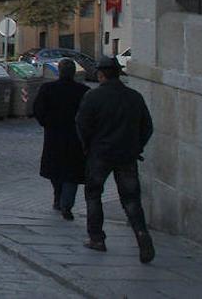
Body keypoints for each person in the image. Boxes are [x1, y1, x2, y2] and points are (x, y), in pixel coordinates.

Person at [75, 55, 155, 263]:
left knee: (93, 194)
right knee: (131, 198)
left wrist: (87, 146)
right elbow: (147, 126)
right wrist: (137, 146)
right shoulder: (134, 97)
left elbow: (82, 124)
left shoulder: (93, 97)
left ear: (100, 74)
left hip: (100, 153)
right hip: (127, 155)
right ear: (119, 73)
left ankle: (96, 238)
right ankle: (141, 234)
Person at [32, 58, 89, 220]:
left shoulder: (48, 89)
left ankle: (59, 197)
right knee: (71, 172)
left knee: (55, 169)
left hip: (54, 135)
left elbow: (38, 109)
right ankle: (66, 204)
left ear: (59, 72)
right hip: (75, 137)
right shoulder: (83, 91)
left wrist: (47, 123)